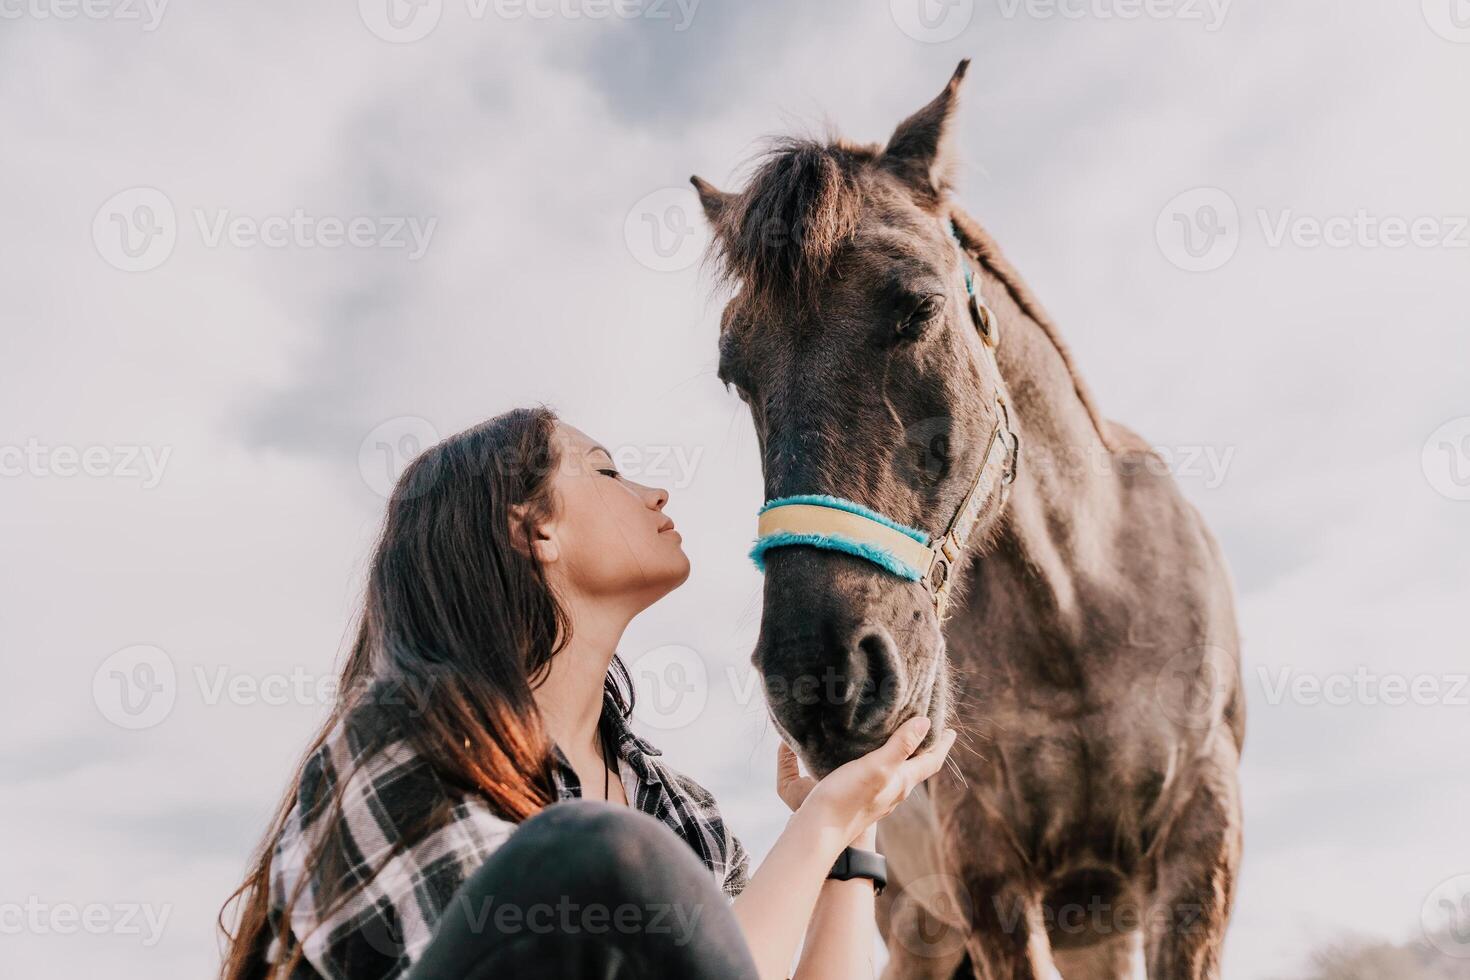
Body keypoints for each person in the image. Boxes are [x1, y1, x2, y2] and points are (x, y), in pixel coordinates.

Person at [218, 406, 956, 979]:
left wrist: (852, 828)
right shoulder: (404, 749)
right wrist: (819, 825)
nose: (653, 490)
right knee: (597, 858)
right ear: (534, 528)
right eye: (606, 473)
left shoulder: (675, 808)